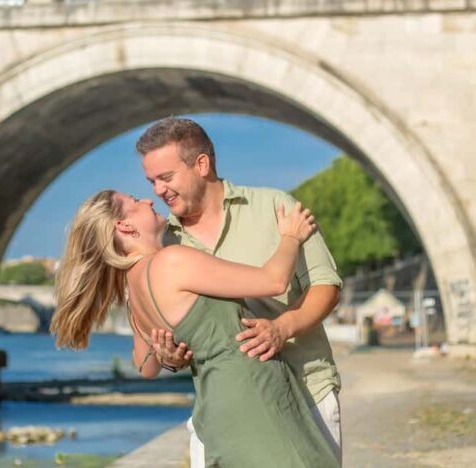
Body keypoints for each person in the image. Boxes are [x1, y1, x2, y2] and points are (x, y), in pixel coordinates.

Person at [51, 189, 339, 467]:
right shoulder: (172, 261)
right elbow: (273, 281)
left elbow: (146, 367)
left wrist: (169, 357)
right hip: (252, 395)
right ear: (124, 226)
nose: (148, 200)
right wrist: (291, 236)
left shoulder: (134, 289)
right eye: (135, 201)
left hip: (215, 404)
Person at [137, 118, 344, 466]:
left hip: (306, 390)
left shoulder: (274, 207)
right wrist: (173, 358)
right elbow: (170, 339)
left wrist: (282, 328)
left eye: (166, 177)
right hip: (223, 412)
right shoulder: (166, 243)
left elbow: (326, 286)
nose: (158, 190)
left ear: (202, 164)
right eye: (151, 181)